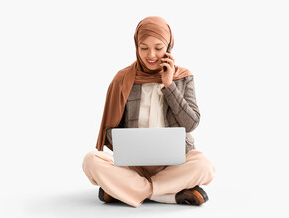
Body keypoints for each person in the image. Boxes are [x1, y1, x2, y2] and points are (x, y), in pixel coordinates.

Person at [82, 16, 215, 208]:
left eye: (159, 48)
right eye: (143, 48)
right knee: (91, 160)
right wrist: (131, 144)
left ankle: (125, 191)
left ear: (169, 47)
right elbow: (111, 131)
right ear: (136, 47)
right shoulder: (123, 79)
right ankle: (167, 194)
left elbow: (191, 123)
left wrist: (169, 85)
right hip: (134, 166)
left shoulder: (183, 77)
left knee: (205, 165)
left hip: (174, 164)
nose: (151, 54)